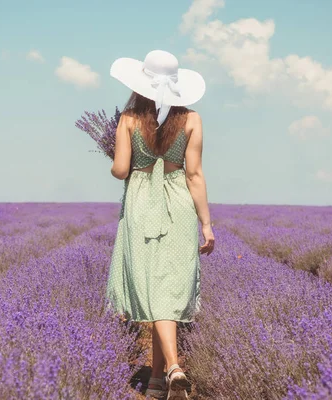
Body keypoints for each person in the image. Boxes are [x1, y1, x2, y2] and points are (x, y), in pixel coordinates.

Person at [104, 49, 215, 400]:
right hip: (179, 202)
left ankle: (173, 367)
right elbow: (194, 174)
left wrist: (116, 156)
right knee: (166, 287)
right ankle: (156, 381)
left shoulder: (129, 119)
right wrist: (207, 225)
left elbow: (121, 169)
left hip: (141, 203)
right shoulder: (192, 119)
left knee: (154, 292)